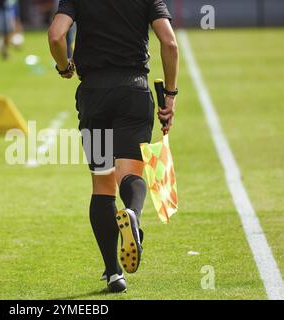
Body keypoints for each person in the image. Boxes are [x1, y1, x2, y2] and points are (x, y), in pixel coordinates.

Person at [48, 0, 179, 293]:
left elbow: (56, 35)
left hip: (93, 95)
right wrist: (170, 94)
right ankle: (132, 212)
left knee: (102, 183)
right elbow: (169, 43)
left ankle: (113, 273)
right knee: (130, 174)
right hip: (133, 91)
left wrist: (64, 66)